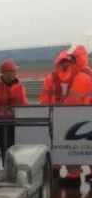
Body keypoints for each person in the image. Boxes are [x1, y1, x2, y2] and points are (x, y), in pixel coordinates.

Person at [60, 45, 92, 188]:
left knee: (72, 144)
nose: (69, 63)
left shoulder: (81, 77)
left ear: (77, 60)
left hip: (78, 117)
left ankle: (73, 175)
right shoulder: (88, 73)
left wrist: (63, 101)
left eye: (72, 60)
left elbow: (73, 101)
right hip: (87, 115)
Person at [0, 60, 28, 165]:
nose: (15, 73)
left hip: (17, 123)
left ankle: (17, 167)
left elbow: (25, 104)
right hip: (1, 124)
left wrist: (26, 121)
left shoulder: (20, 87)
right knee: (4, 148)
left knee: (18, 148)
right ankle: (7, 168)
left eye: (15, 71)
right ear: (5, 73)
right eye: (13, 71)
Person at [39, 51, 73, 180]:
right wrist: (44, 112)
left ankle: (72, 171)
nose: (64, 64)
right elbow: (44, 96)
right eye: (62, 61)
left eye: (66, 61)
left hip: (71, 116)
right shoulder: (50, 78)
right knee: (54, 142)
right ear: (58, 63)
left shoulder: (76, 76)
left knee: (70, 143)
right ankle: (55, 166)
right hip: (54, 115)